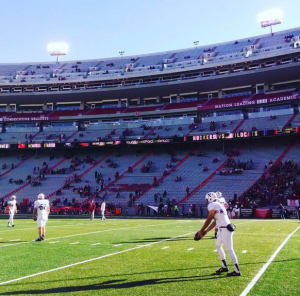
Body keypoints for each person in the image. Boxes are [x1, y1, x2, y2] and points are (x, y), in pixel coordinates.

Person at [195, 192, 241, 276]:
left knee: (230, 249)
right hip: (222, 229)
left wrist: (201, 230)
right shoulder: (218, 204)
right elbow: (215, 221)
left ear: (209, 198)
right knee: (218, 246)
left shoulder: (212, 205)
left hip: (225, 229)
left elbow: (209, 219)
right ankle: (224, 267)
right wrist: (206, 231)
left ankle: (237, 271)